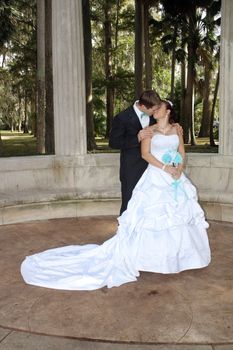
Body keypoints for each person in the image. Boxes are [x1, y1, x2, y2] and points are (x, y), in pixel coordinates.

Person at [20, 100, 211, 291]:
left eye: (158, 108)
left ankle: (177, 258)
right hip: (156, 177)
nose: (154, 110)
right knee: (151, 220)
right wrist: (165, 168)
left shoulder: (177, 129)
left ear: (168, 111)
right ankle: (149, 259)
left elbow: (182, 152)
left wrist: (179, 168)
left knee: (178, 219)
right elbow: (145, 154)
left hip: (175, 178)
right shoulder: (148, 130)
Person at [109, 90, 161, 214]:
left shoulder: (155, 116)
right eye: (153, 110)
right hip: (131, 169)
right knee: (129, 203)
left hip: (152, 167)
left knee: (150, 203)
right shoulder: (122, 118)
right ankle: (124, 232)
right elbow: (113, 143)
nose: (155, 113)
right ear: (143, 106)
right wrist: (137, 138)